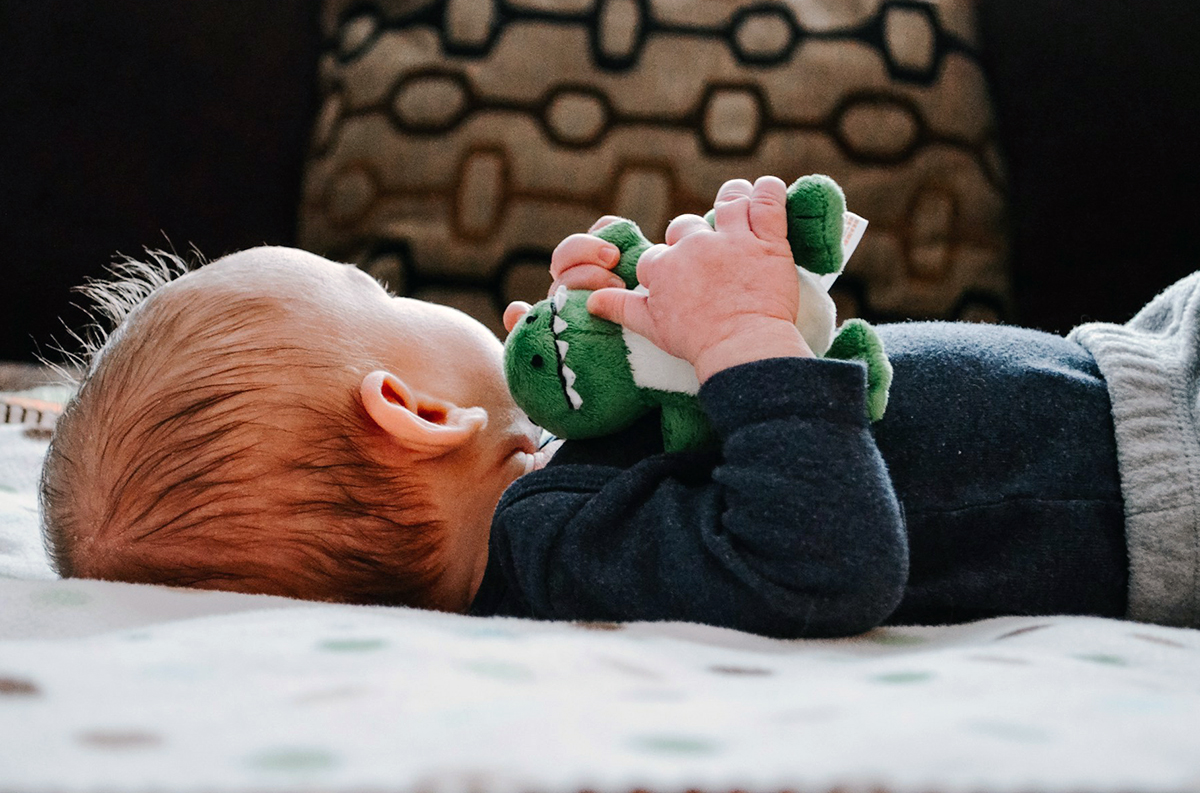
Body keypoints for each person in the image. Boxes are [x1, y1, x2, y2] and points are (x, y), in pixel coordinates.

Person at [39, 177, 1200, 637]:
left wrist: (649, 329)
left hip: (1130, 371)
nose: (412, 293)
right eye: (374, 292)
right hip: (1162, 475)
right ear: (410, 410)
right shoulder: (562, 556)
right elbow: (824, 559)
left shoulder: (554, 491)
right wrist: (744, 339)